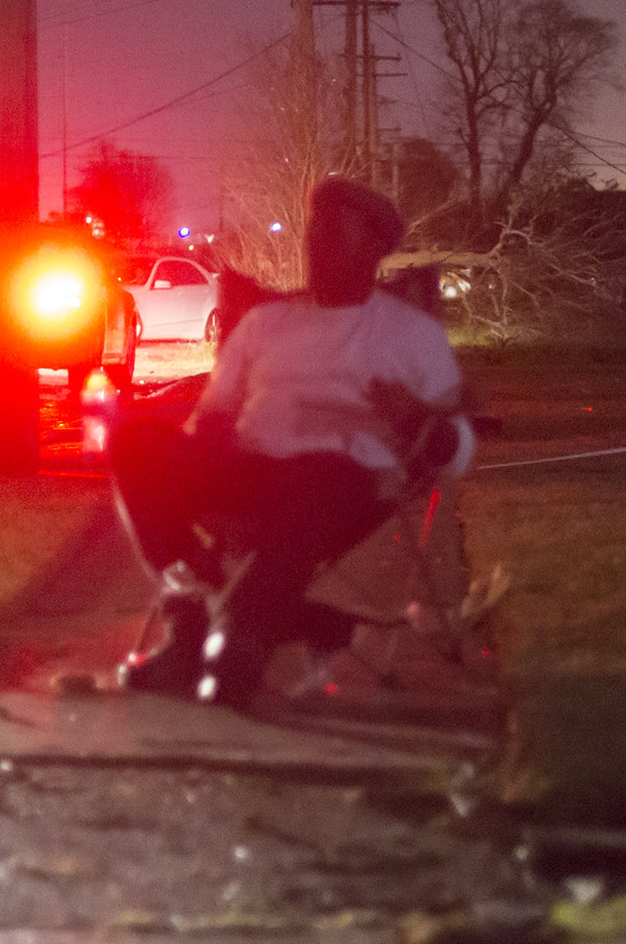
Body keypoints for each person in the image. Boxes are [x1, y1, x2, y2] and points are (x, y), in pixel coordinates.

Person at [109, 178, 475, 708]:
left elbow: (459, 450)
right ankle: (194, 622)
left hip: (344, 487)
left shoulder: (412, 335)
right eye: (314, 235)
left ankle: (240, 636)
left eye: (334, 237)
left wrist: (420, 420)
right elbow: (211, 418)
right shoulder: (265, 324)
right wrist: (201, 452)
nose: (316, 248)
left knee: (323, 475)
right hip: (252, 472)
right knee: (135, 439)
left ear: (374, 248)